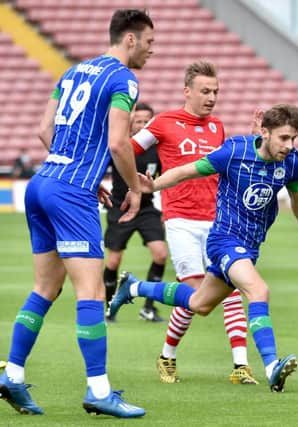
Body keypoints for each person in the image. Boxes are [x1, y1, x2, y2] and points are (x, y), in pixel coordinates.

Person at [109, 103, 298, 392]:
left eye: (294, 138)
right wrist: (154, 186)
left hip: (249, 246)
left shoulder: (291, 162)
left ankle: (134, 288)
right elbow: (187, 171)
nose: (290, 145)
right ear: (265, 132)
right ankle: (272, 366)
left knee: (200, 304)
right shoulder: (234, 151)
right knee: (258, 291)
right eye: (284, 138)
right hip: (224, 240)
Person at [0, 9, 154, 418]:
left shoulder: (73, 72)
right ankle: (99, 390)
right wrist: (134, 190)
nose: (153, 52)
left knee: (45, 289)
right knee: (93, 291)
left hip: (42, 183)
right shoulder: (124, 79)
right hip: (69, 192)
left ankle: (12, 375)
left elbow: (44, 129)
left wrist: (79, 171)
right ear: (130, 40)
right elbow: (120, 144)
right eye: (150, 43)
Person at [130, 61, 259, 385]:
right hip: (181, 221)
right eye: (205, 91)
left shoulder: (217, 127)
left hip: (217, 222)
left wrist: (256, 142)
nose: (212, 97)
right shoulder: (163, 123)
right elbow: (126, 148)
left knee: (230, 290)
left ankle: (240, 366)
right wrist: (133, 182)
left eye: (215, 91)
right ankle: (167, 354)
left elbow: (231, 163)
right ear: (187, 91)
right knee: (194, 294)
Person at [103, 102, 166, 323]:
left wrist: (165, 209)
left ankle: (148, 308)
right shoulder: (120, 146)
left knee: (160, 254)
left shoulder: (158, 150)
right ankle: (109, 306)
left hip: (147, 208)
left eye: (146, 121)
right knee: (113, 261)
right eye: (137, 121)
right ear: (130, 122)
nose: (141, 125)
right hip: (120, 206)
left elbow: (165, 180)